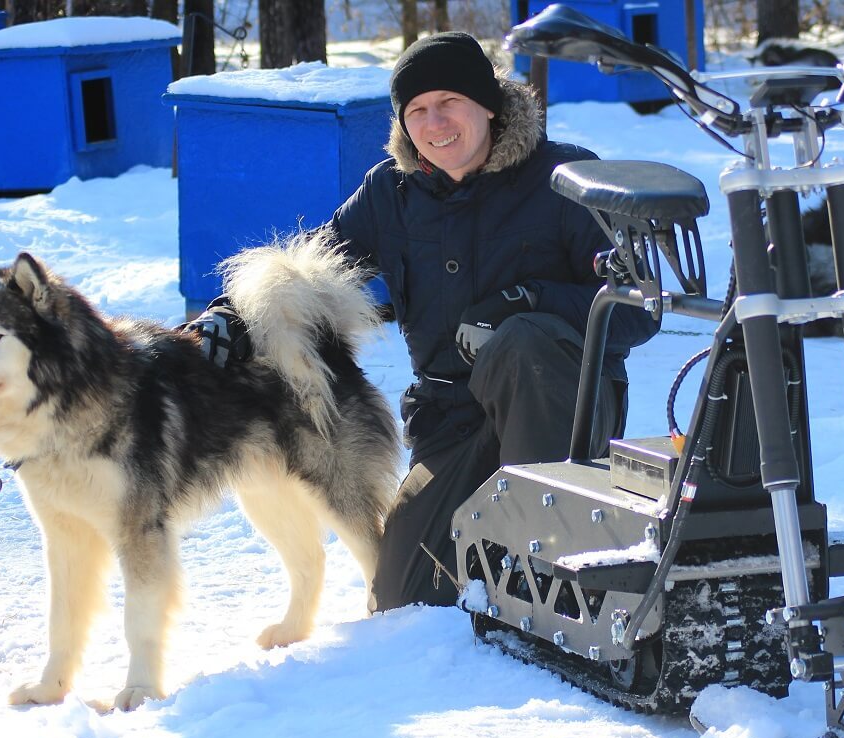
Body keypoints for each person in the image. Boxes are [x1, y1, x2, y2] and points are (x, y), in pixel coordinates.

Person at [189, 32, 658, 611]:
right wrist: (231, 313)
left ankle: (553, 561)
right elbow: (311, 267)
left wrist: (529, 297)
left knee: (522, 341)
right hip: (452, 421)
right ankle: (505, 555)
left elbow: (640, 308)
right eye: (417, 111)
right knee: (403, 597)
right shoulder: (391, 192)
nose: (435, 123)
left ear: (488, 103)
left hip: (562, 411)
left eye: (449, 102)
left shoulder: (567, 178)